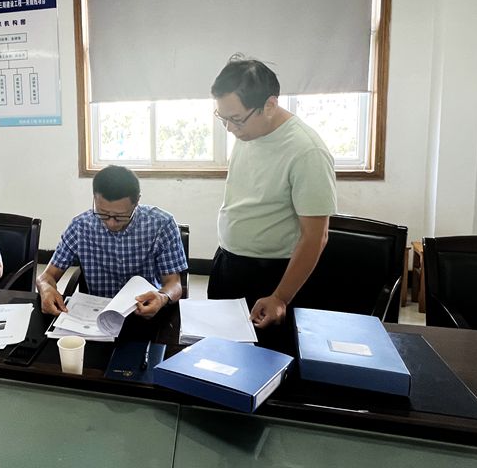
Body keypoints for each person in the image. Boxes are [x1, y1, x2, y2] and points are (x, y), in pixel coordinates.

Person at [209, 55, 337, 331]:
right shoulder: (249, 132)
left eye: (236, 119)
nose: (230, 128)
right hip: (228, 263)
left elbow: (316, 237)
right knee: (220, 347)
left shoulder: (307, 151)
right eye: (223, 118)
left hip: (271, 276)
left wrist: (280, 297)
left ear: (269, 105)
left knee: (268, 353)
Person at [36, 165, 187, 318]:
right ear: (94, 198)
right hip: (96, 315)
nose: (111, 223)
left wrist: (162, 297)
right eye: (103, 213)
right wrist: (45, 288)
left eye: (120, 216)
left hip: (144, 312)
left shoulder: (161, 224)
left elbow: (174, 284)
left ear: (136, 202)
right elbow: (46, 277)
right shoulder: (80, 227)